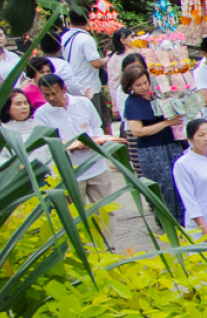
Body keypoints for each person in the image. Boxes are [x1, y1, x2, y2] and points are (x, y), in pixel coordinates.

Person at [33, 72, 121, 203]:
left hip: (95, 165)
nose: (51, 98)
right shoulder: (41, 114)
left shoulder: (83, 103)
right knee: (76, 213)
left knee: (105, 209)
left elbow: (96, 126)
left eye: (54, 93)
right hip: (68, 171)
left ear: (64, 89)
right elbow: (46, 143)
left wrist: (97, 142)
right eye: (46, 95)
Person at [119, 67, 185, 217]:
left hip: (171, 143)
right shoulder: (132, 103)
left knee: (179, 180)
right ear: (130, 87)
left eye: (145, 83)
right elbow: (137, 131)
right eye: (138, 85)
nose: (143, 87)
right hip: (151, 149)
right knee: (164, 185)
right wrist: (166, 124)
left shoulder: (157, 96)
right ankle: (168, 219)